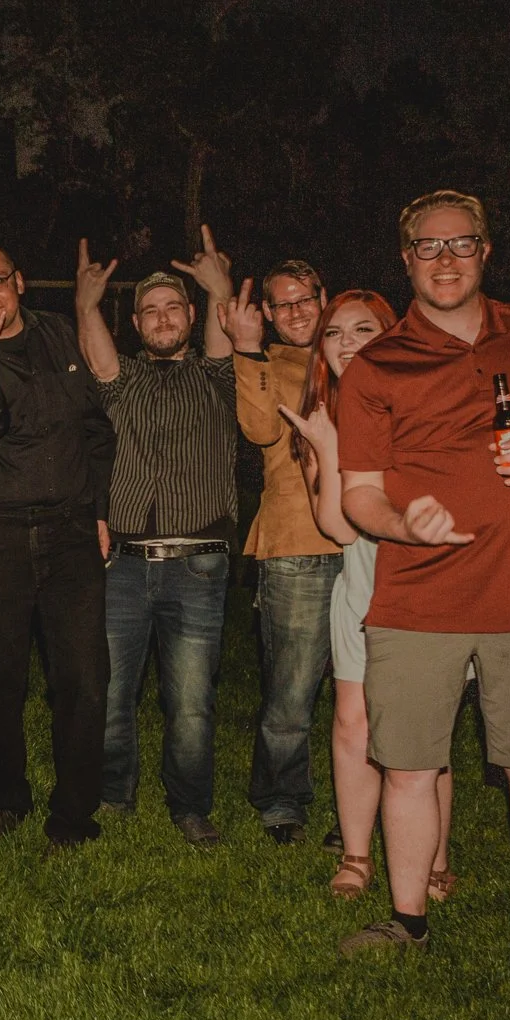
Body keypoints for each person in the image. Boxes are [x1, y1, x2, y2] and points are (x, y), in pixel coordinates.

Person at [333, 189, 510, 978]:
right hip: (417, 599)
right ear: (405, 259)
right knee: (408, 766)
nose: (445, 259)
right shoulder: (377, 364)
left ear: (486, 250)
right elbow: (359, 493)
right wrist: (405, 525)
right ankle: (408, 919)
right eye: (428, 247)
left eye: (461, 243)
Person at [278, 290, 460, 899]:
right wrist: (329, 447)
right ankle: (356, 855)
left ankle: (434, 857)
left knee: (425, 731)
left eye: (364, 330)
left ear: (392, 336)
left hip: (430, 581)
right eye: (334, 333)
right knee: (352, 721)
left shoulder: (425, 403)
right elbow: (337, 527)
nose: (347, 342)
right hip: (362, 582)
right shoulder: (318, 417)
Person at [0, 243, 115, 850]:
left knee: (84, 679)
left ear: (20, 281)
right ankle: (7, 797)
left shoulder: (59, 334)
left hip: (71, 531)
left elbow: (95, 428)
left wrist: (99, 508)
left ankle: (74, 815)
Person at [73, 234, 237, 846]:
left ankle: (189, 806)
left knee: (191, 701)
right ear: (137, 323)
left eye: (173, 307)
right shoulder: (123, 382)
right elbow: (99, 359)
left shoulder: (217, 378)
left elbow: (223, 343)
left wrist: (220, 290)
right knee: (112, 691)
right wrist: (86, 304)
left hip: (199, 566)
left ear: (192, 315)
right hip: (122, 566)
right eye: (150, 311)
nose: (163, 318)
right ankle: (114, 795)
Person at [221, 256, 346, 846]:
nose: (296, 311)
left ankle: (357, 804)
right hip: (298, 545)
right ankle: (281, 801)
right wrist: (247, 349)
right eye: (283, 303)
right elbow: (260, 430)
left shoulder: (359, 354)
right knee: (292, 692)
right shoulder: (264, 363)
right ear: (268, 313)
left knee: (365, 692)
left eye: (305, 298)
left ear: (324, 298)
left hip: (373, 546)